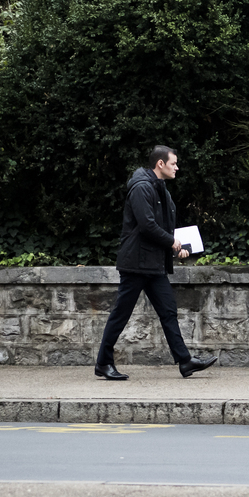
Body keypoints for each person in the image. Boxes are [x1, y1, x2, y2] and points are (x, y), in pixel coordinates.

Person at [94, 145, 217, 380]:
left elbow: (162, 227)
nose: (177, 167)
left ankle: (184, 361)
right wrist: (172, 242)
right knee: (121, 313)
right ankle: (103, 363)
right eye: (174, 163)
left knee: (168, 311)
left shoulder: (160, 189)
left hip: (152, 264)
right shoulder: (142, 188)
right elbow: (147, 225)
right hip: (135, 264)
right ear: (160, 164)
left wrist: (179, 248)